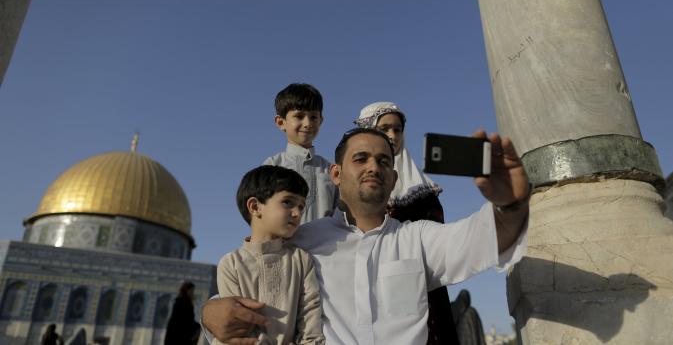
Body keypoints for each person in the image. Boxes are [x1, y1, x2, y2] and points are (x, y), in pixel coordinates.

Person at [202, 128, 530, 345]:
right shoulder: (303, 240)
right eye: (361, 159)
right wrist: (209, 312)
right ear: (336, 174)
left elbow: (487, 238)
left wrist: (510, 204)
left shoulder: (417, 240)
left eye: (383, 161)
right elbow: (252, 268)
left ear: (394, 178)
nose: (373, 166)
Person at [354, 101, 456, 344]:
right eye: (385, 128)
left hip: (421, 292)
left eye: (397, 129)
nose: (392, 135)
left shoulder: (421, 189)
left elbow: (438, 247)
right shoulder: (353, 188)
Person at [215, 165, 325, 345]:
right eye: (288, 202)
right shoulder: (231, 264)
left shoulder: (301, 260)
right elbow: (238, 326)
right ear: (255, 206)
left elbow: (311, 318)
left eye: (301, 207)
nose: (297, 213)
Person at [263, 83, 339, 224]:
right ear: (281, 122)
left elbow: (339, 213)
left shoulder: (329, 169)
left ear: (321, 120)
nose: (307, 123)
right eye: (299, 116)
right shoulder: (273, 166)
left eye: (313, 117)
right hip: (284, 245)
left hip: (327, 244)